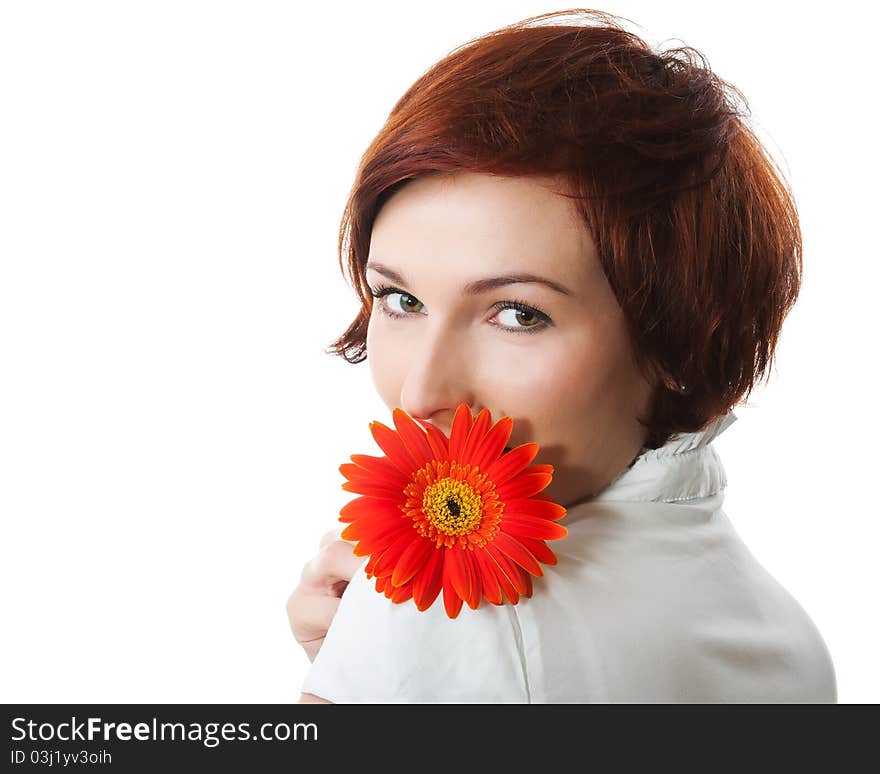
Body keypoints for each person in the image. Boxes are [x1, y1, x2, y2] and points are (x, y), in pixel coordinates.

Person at [286, 9, 836, 703]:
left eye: (518, 314)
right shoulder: (785, 638)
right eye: (399, 300)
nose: (420, 391)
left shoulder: (440, 607)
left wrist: (369, 666)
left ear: (680, 342)